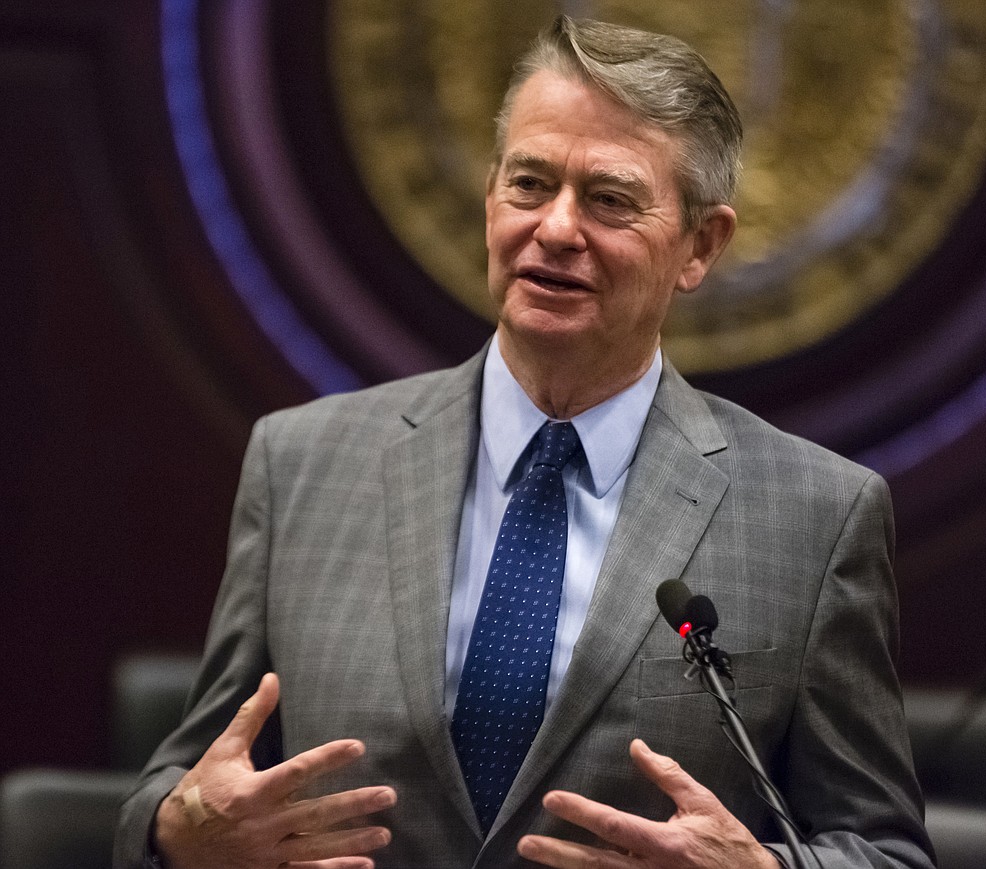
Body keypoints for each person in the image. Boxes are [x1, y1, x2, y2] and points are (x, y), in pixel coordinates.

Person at [116, 15, 934, 869]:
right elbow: (186, 784)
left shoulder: (816, 516)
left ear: (701, 244)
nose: (555, 228)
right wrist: (177, 835)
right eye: (530, 184)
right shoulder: (304, 464)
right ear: (490, 198)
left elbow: (886, 850)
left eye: (610, 199)